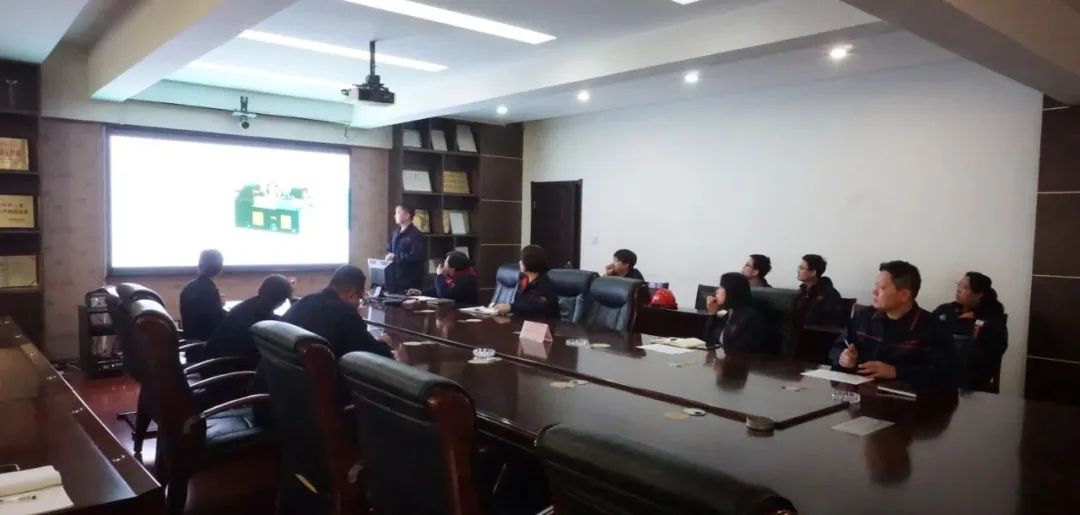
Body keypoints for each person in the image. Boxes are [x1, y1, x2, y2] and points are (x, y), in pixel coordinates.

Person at [830, 261, 956, 391]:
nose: (874, 292)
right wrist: (843, 358)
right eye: (876, 286)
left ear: (904, 295)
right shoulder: (864, 317)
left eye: (882, 288)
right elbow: (838, 347)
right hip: (862, 394)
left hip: (909, 399)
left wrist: (896, 371)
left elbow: (945, 374)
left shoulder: (932, 326)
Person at [283, 265, 393, 359]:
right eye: (360, 298)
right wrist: (384, 343)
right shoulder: (346, 315)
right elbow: (378, 357)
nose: (359, 304)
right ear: (351, 294)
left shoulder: (302, 302)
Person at [931, 272, 1007, 391]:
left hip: (970, 375)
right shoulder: (945, 310)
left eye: (965, 287)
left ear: (979, 294)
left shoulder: (991, 319)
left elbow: (992, 352)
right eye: (959, 285)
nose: (959, 290)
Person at [206, 274, 293, 369]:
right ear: (281, 301)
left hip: (212, 364)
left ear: (260, 290)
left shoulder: (249, 306)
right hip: (229, 371)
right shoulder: (258, 323)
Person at [701, 272, 770, 353]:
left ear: (732, 291)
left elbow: (738, 349)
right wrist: (712, 314)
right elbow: (709, 340)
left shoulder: (750, 318)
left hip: (740, 360)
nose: (717, 291)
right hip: (726, 358)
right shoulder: (730, 313)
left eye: (721, 287)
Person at [494, 245, 558, 317]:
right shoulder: (523, 281)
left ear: (531, 261)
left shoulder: (545, 285)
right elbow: (519, 305)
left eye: (522, 260)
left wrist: (511, 307)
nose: (519, 262)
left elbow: (538, 309)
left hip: (543, 322)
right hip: (521, 321)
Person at [179, 249, 227, 342]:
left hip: (192, 342)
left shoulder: (190, 286)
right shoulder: (209, 291)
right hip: (205, 345)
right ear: (220, 268)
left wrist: (218, 304)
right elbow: (216, 324)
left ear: (200, 265)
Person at [796, 254, 845, 326]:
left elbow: (830, 325)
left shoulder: (830, 295)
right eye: (799, 267)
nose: (798, 271)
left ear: (813, 272)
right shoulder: (802, 291)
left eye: (802, 268)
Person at [385, 205, 425, 293]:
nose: (395, 215)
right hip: (395, 276)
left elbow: (416, 255)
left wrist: (396, 257)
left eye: (398, 212)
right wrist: (389, 255)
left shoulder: (415, 234)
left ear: (407, 215)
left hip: (409, 278)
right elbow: (389, 248)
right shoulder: (395, 232)